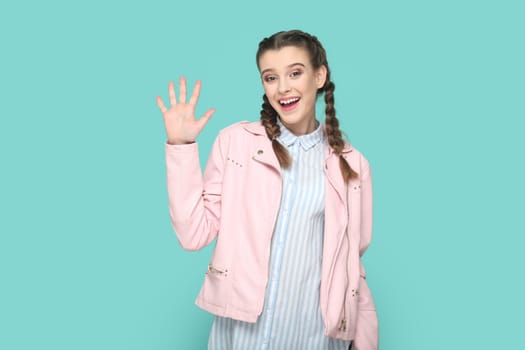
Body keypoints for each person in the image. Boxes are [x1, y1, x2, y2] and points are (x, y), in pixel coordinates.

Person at [156, 30, 378, 350]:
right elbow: (193, 234)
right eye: (270, 77)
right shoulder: (236, 143)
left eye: (295, 73)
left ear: (319, 76)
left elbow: (350, 262)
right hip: (242, 333)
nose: (283, 87)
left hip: (314, 334)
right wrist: (181, 145)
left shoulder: (352, 164)